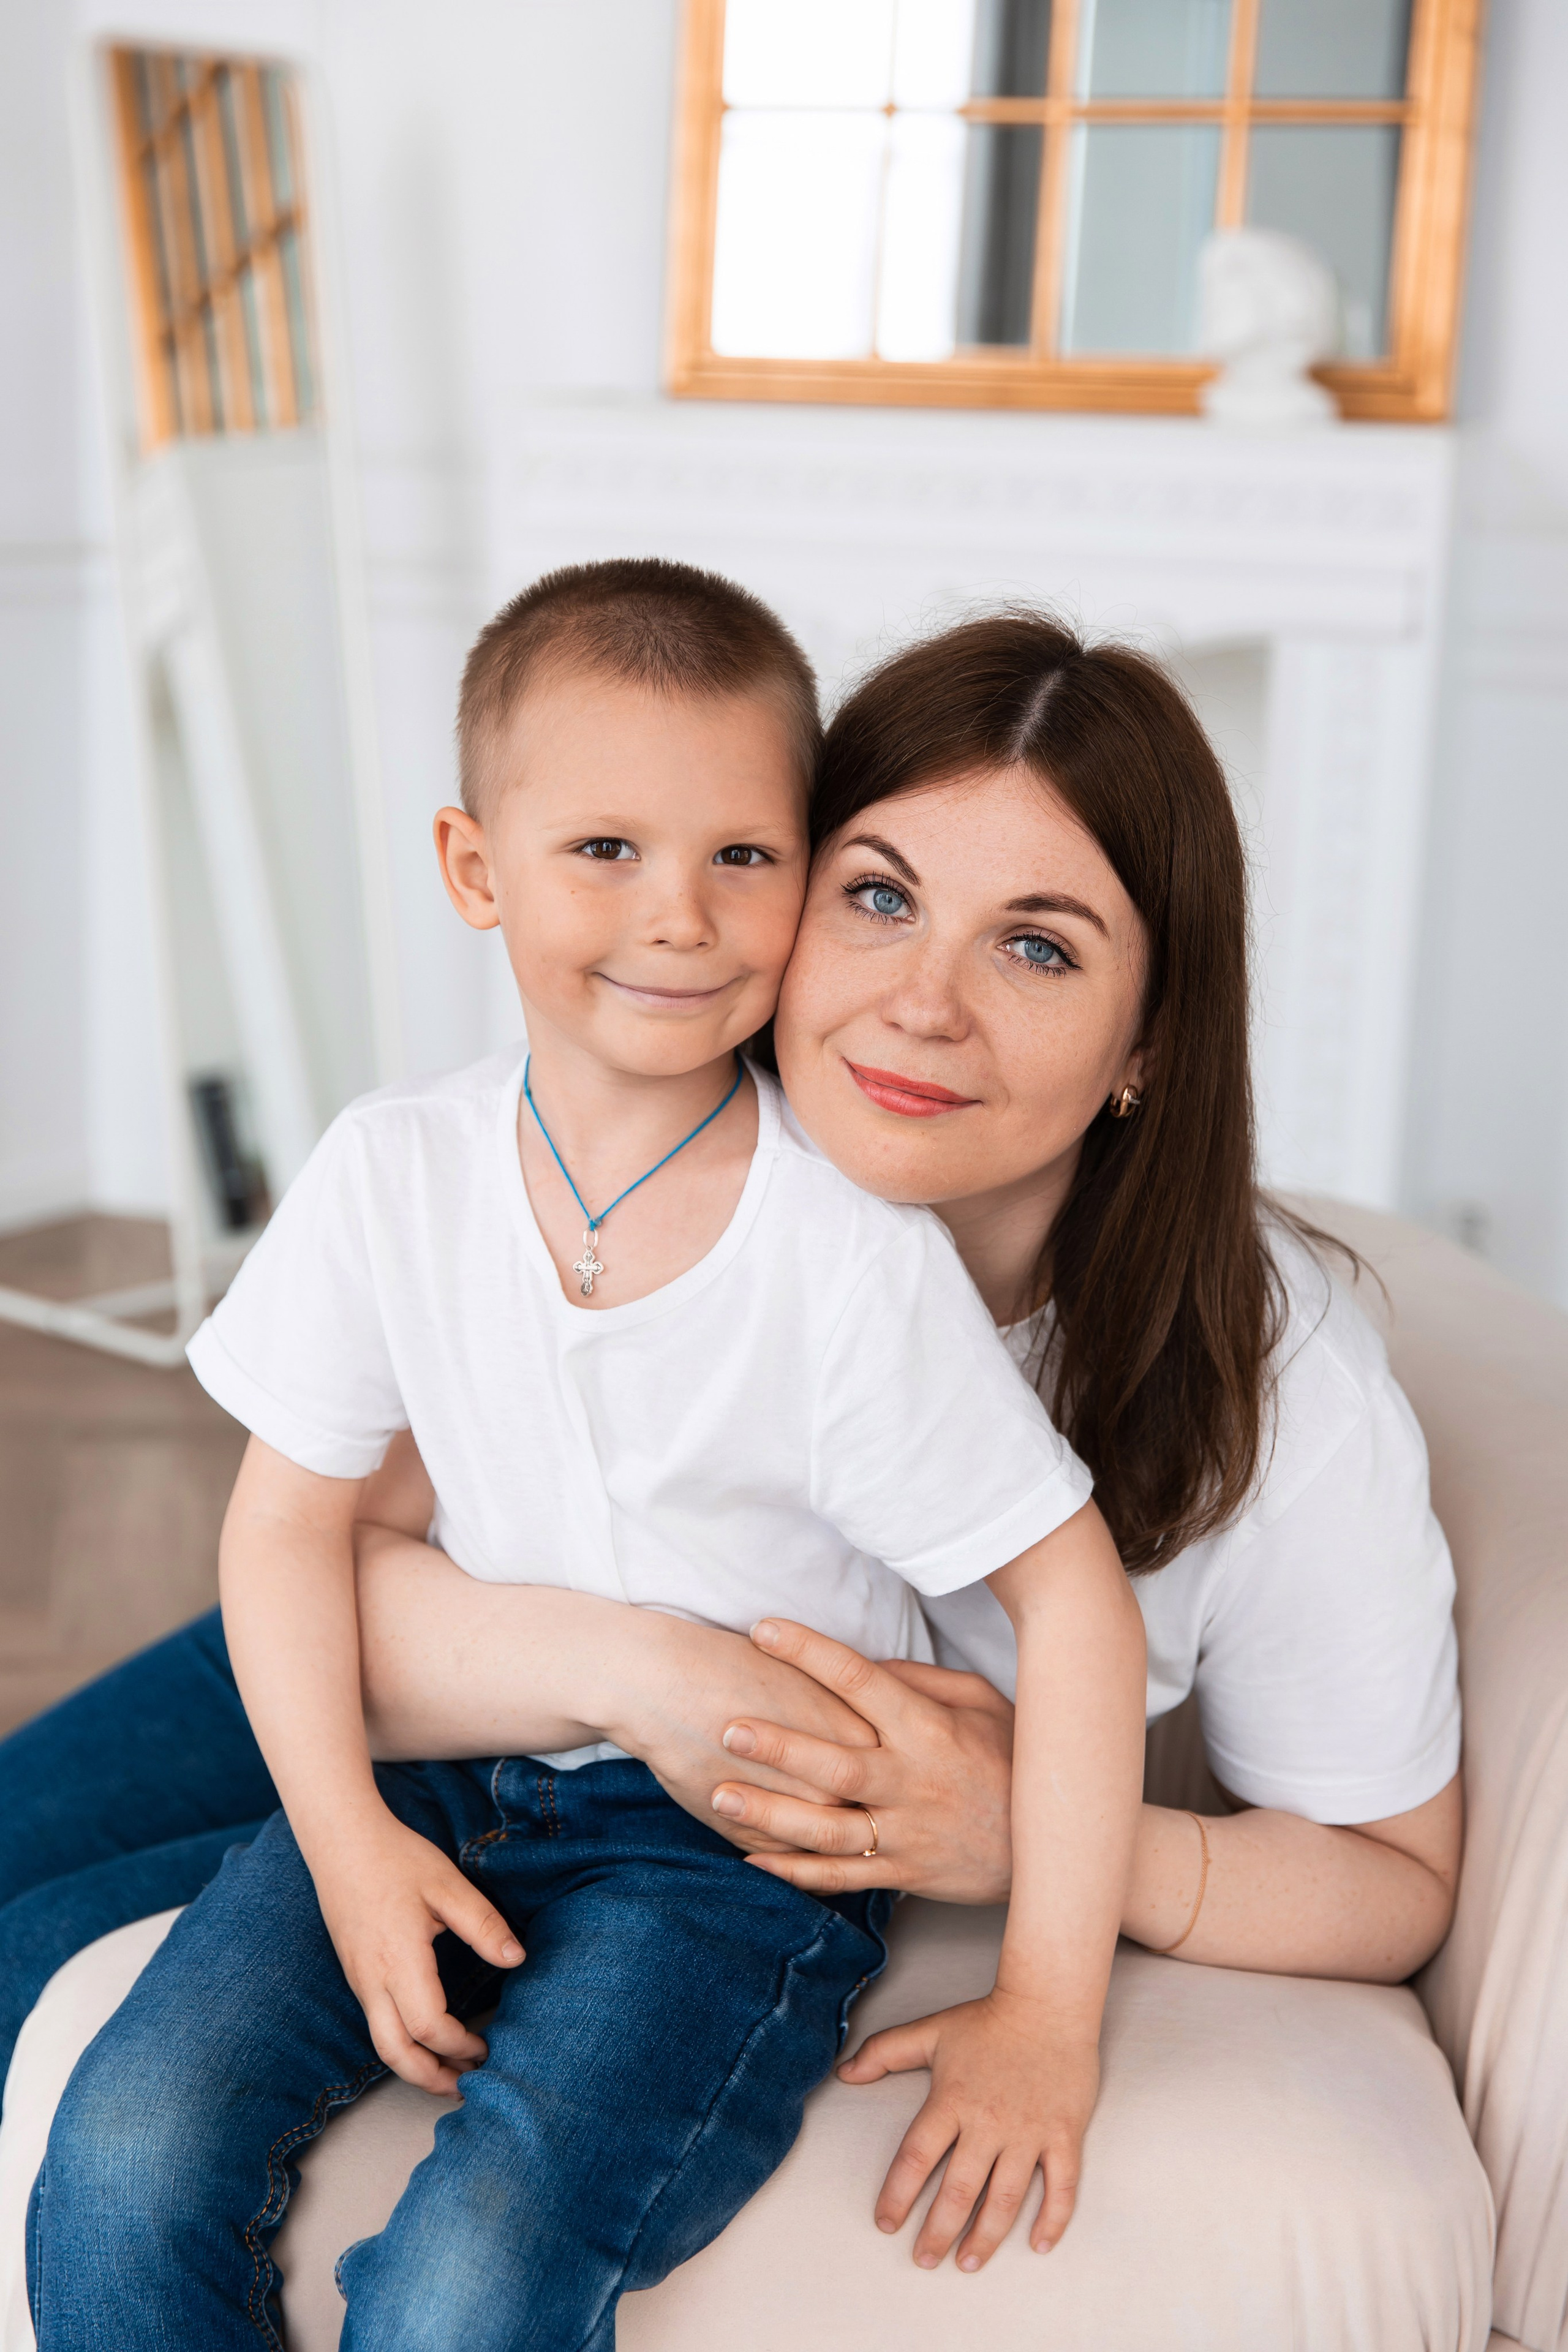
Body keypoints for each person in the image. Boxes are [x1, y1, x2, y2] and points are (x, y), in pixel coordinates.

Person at [0, 604, 1460, 2254]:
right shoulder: (620, 1159)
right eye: (881, 898)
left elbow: (1396, 1875)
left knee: (43, 1977)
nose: (922, 1002)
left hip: (626, 1813)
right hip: (395, 1687)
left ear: (1150, 1042)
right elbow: (340, 1565)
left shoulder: (1278, 1385)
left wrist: (1054, 1842)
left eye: (1038, 946)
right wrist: (673, 1679)